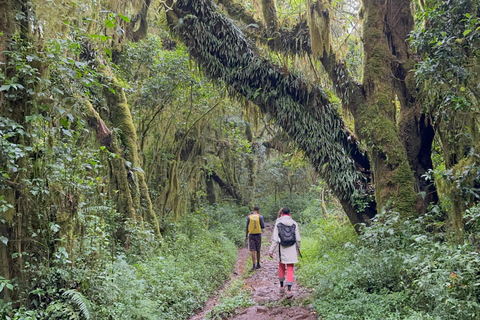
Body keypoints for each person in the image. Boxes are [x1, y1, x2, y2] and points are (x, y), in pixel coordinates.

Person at [269, 207, 301, 298]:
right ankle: (289, 290)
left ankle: (282, 287)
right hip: (291, 248)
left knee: (281, 267)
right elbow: (298, 239)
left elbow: (275, 239)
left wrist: (271, 250)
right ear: (289, 213)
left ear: (282, 213)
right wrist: (298, 249)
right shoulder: (294, 223)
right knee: (290, 268)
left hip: (281, 248)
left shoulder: (278, 223)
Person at [245, 205, 265, 271]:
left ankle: (253, 265)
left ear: (253, 210)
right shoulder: (260, 216)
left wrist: (246, 236)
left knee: (253, 249)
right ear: (258, 210)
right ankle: (258, 264)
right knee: (258, 249)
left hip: (251, 235)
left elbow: (247, 228)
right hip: (258, 234)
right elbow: (263, 226)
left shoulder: (249, 217)